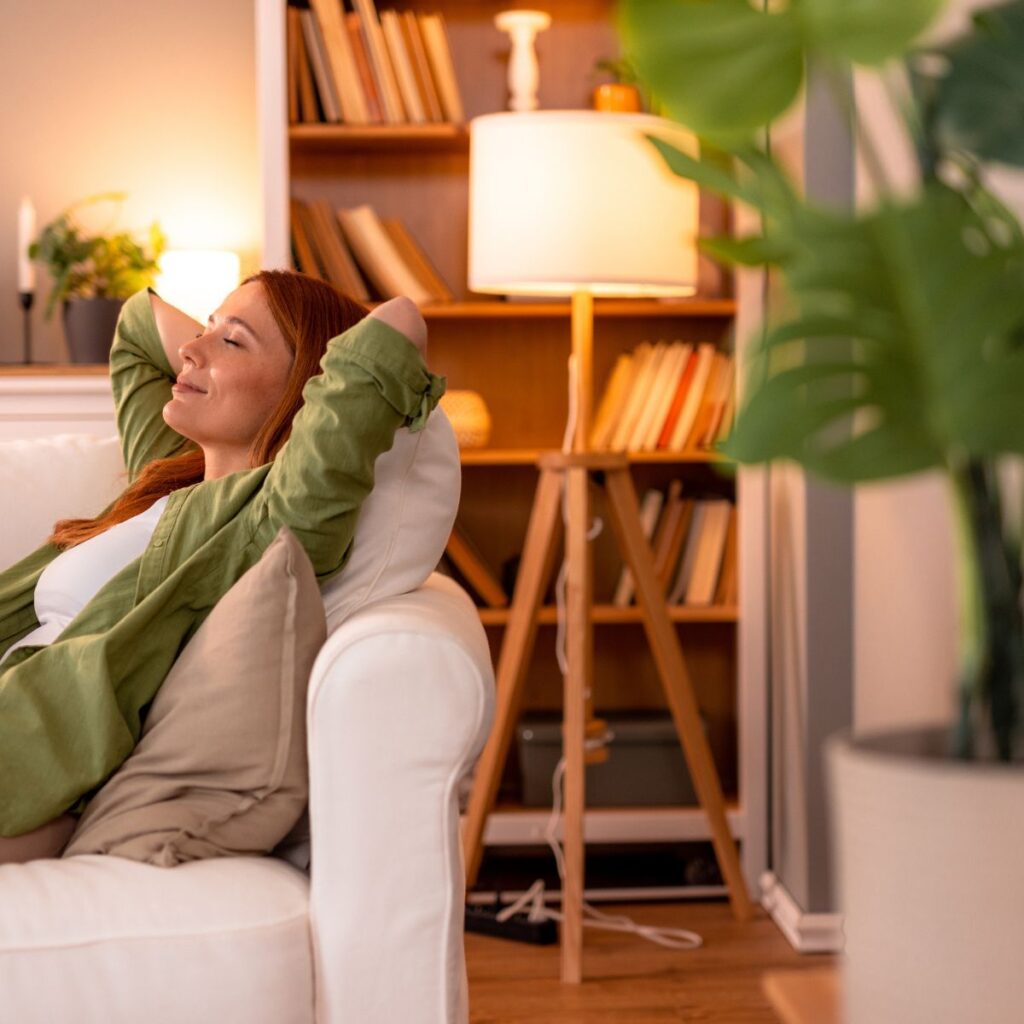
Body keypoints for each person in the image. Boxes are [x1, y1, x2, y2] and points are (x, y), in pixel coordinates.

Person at [0, 270, 447, 861]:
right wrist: (225, 340)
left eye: (231, 342)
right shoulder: (169, 474)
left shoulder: (275, 520)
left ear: (308, 393)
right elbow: (138, 323)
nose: (191, 349)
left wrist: (294, 368)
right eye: (204, 329)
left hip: (27, 744)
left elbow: (397, 323)